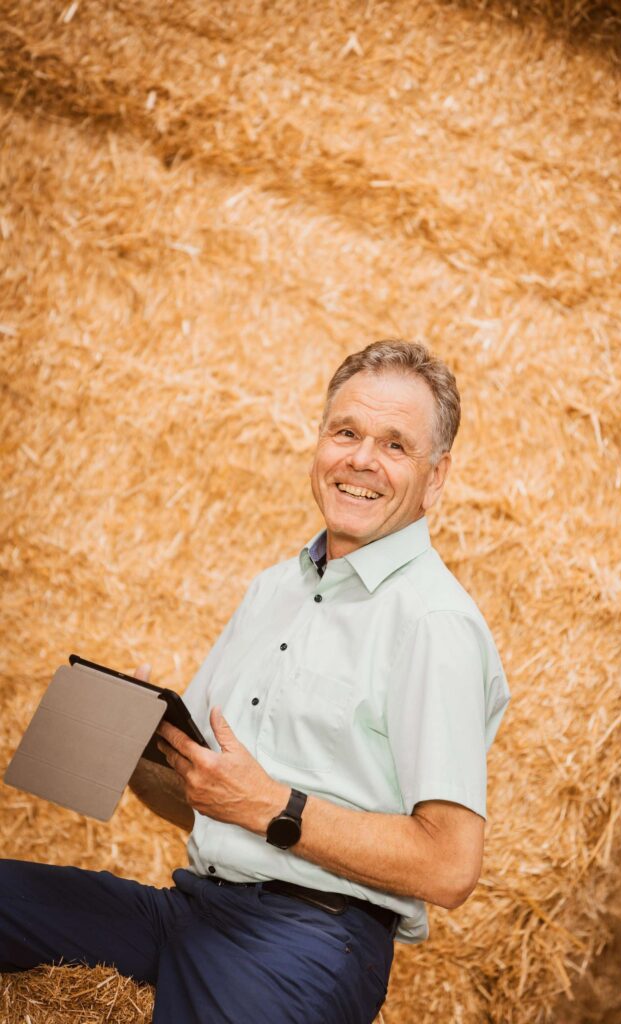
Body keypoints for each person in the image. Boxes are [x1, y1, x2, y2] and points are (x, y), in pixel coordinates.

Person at [0, 340, 510, 1023]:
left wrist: (275, 804)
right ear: (319, 443)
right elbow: (210, 800)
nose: (360, 459)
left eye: (394, 446)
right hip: (190, 907)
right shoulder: (273, 589)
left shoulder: (434, 623)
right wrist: (137, 745)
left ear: (436, 477)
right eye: (346, 432)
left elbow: (449, 868)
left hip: (310, 943)